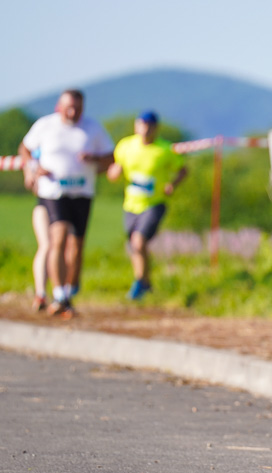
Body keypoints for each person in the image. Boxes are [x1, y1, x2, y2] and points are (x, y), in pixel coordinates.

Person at [18, 89, 114, 318]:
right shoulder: (45, 126)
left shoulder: (92, 128)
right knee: (57, 236)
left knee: (76, 245)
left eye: (78, 108)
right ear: (58, 107)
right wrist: (31, 170)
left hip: (82, 192)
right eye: (69, 107)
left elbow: (110, 156)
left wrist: (94, 159)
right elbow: (25, 149)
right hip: (53, 191)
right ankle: (59, 294)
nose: (73, 112)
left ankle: (68, 293)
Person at [107, 110, 187, 300]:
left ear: (155, 128)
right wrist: (114, 172)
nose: (145, 129)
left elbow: (182, 170)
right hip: (131, 204)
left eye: (149, 126)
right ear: (136, 126)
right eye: (142, 125)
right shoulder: (125, 146)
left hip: (155, 203)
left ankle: (139, 283)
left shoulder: (165, 149)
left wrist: (172, 185)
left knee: (138, 241)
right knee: (134, 245)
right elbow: (113, 170)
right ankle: (145, 281)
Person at [23, 149, 51, 311]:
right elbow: (30, 184)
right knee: (46, 246)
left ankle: (62, 292)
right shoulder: (37, 153)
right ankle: (40, 293)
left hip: (69, 205)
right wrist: (35, 174)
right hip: (44, 205)